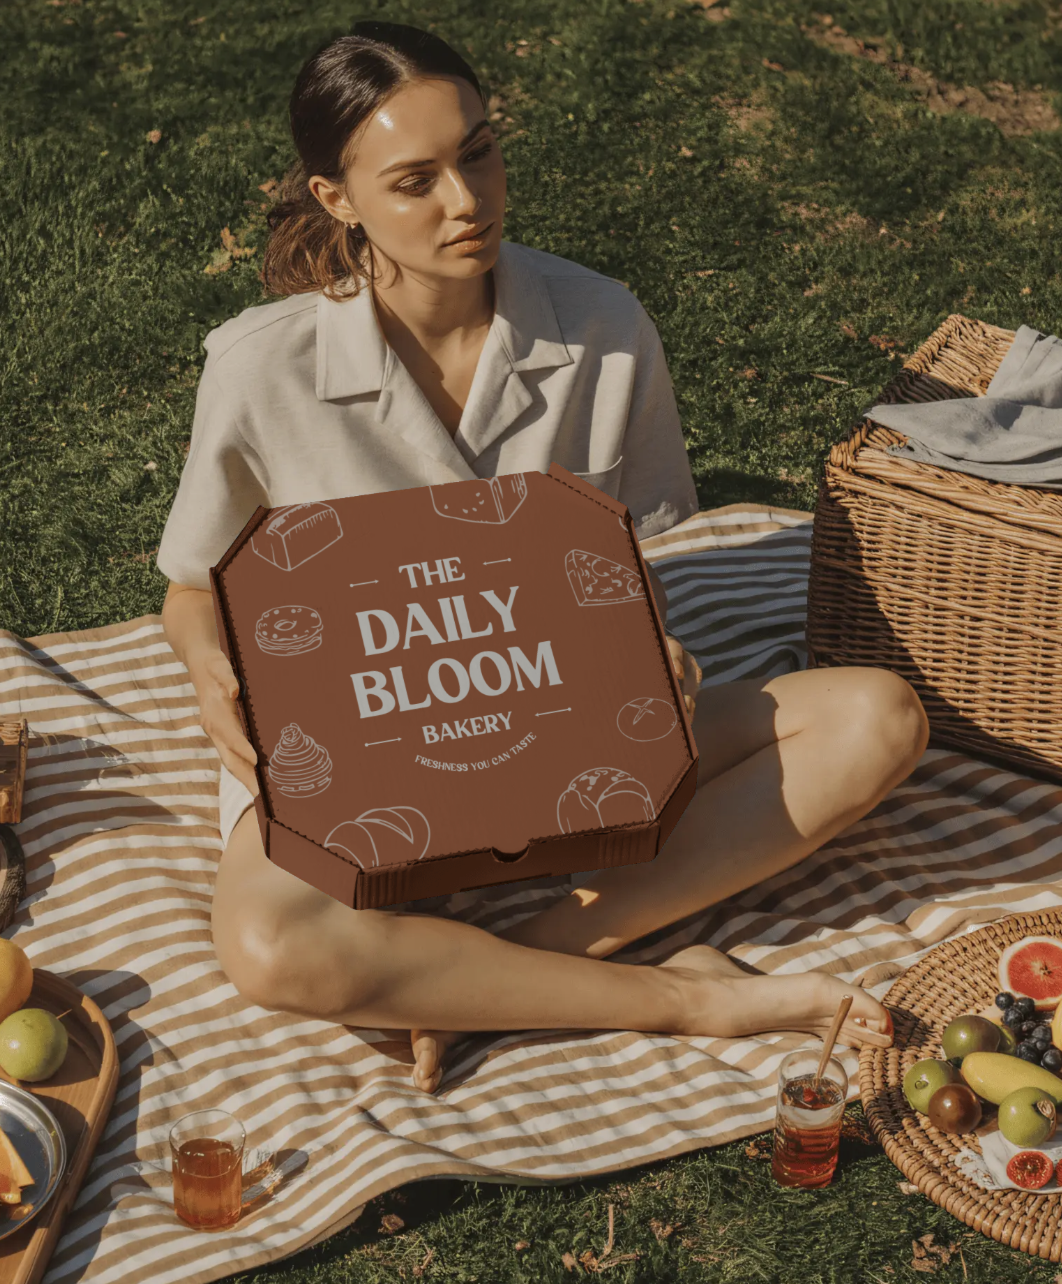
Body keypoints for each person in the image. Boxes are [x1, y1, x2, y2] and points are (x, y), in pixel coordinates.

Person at [158, 21, 924, 1095]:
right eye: (414, 180)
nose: (466, 202)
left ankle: (542, 963)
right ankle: (694, 997)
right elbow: (193, 585)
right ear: (338, 198)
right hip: (362, 759)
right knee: (272, 947)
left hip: (562, 732)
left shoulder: (603, 326)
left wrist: (649, 642)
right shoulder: (259, 366)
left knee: (878, 718)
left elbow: (634, 554)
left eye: (478, 152)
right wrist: (210, 674)